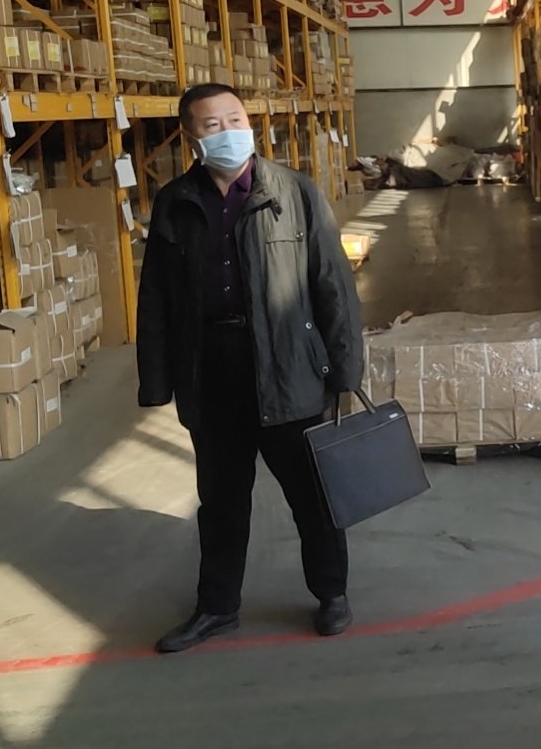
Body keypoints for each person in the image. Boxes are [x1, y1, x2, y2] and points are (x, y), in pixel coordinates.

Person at [137, 83, 366, 654]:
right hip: (211, 372)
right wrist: (157, 381)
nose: (228, 132)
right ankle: (216, 607)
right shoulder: (176, 202)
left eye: (235, 119)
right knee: (220, 502)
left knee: (312, 496)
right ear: (191, 138)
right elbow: (157, 297)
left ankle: (331, 593)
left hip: (288, 369)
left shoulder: (295, 191)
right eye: (212, 125)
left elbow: (333, 285)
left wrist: (345, 372)